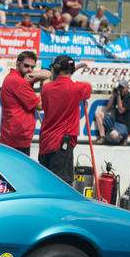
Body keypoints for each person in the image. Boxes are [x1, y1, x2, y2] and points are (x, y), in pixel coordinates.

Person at [38, 55, 91, 183]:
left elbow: (42, 105)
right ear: (71, 70)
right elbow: (88, 88)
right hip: (62, 145)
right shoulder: (76, 88)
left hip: (45, 144)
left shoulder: (46, 89)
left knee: (44, 184)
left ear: (56, 69)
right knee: (61, 187)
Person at [0, 50, 51, 155]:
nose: (30, 70)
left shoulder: (22, 77)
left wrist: (37, 75)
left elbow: (48, 73)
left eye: (33, 67)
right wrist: (45, 84)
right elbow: (40, 105)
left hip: (17, 136)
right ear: (18, 63)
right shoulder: (17, 81)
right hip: (16, 138)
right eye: (27, 66)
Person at [93, 79, 130, 146]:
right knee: (98, 114)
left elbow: (121, 110)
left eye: (123, 88)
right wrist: (114, 96)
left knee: (113, 134)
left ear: (127, 88)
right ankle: (103, 137)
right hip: (116, 123)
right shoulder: (117, 97)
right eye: (120, 87)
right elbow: (108, 108)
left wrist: (118, 96)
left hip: (125, 125)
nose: (121, 89)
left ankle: (123, 137)